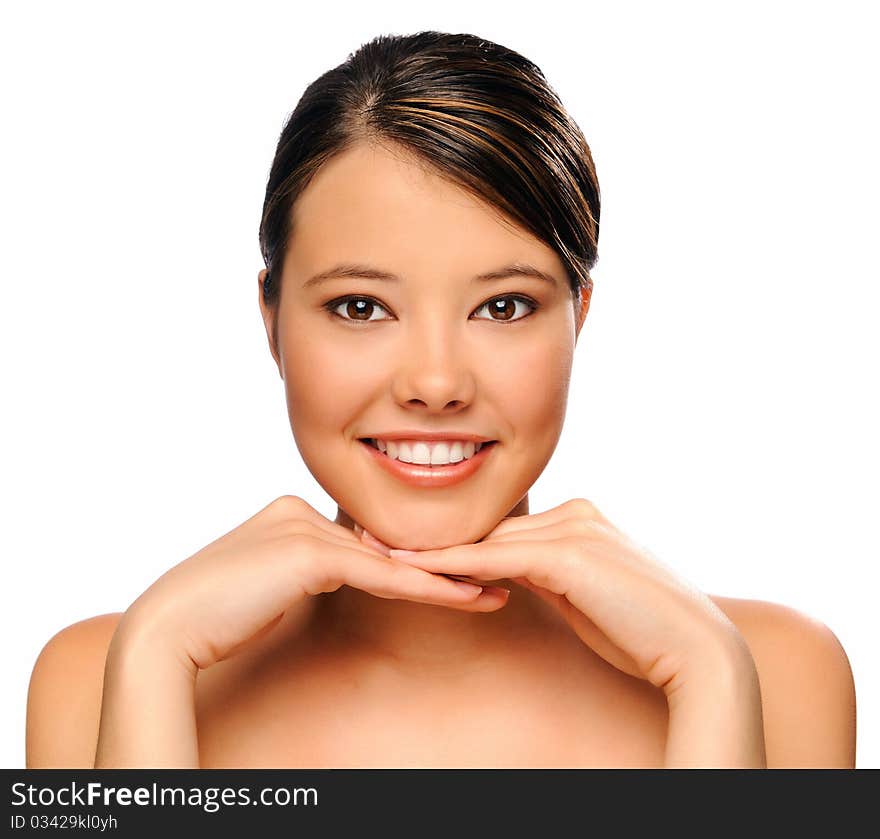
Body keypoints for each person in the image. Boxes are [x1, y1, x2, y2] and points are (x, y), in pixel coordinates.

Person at [25, 31, 856, 769]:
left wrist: (708, 678)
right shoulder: (100, 677)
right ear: (272, 323)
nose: (435, 384)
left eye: (503, 306)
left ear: (579, 319)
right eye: (361, 307)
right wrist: (156, 655)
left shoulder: (774, 672)